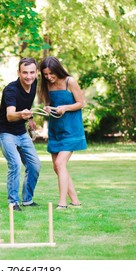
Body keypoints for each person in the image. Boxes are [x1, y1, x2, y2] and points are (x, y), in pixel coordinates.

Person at [38, 56, 87, 209]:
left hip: (71, 129)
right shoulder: (46, 84)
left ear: (57, 70)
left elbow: (81, 103)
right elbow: (49, 103)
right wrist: (47, 107)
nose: (49, 77)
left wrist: (65, 107)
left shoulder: (69, 81)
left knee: (60, 163)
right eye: (45, 74)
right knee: (57, 167)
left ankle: (62, 203)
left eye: (51, 74)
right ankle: (76, 202)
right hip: (56, 129)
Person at [0, 57, 41, 211]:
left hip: (21, 131)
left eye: (32, 72)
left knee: (35, 165)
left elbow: (26, 106)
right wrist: (23, 115)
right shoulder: (11, 90)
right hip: (5, 131)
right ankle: (13, 202)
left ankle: (27, 200)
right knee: (15, 163)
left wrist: (31, 119)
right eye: (25, 72)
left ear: (36, 72)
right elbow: (10, 115)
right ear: (18, 73)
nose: (29, 76)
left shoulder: (33, 84)